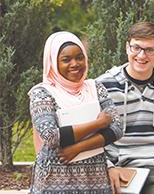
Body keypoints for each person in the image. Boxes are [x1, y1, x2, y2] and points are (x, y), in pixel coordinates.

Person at [97, 22, 154, 194]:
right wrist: (108, 166)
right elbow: (92, 136)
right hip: (118, 167)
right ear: (127, 47)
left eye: (150, 50)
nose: (141, 55)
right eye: (136, 47)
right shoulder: (104, 85)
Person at [29, 31, 124, 194]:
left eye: (79, 57)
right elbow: (51, 136)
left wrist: (77, 148)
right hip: (55, 180)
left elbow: (117, 129)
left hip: (95, 179)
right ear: (53, 62)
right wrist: (99, 123)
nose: (75, 64)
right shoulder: (42, 93)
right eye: (66, 60)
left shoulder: (96, 87)